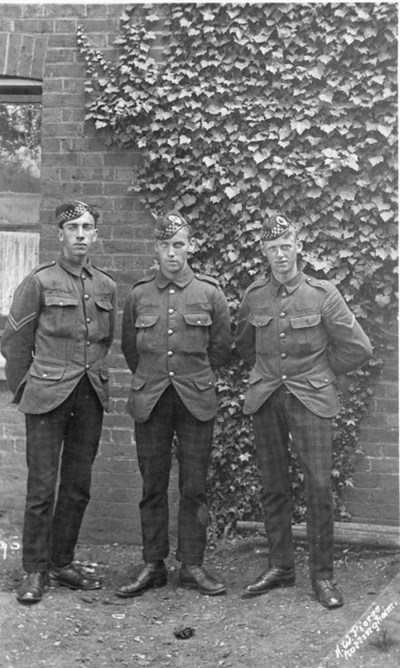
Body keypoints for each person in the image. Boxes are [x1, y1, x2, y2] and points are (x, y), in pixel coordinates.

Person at [236, 213, 373, 608]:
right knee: (273, 485)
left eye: (285, 246)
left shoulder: (321, 293)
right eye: (272, 249)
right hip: (265, 398)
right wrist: (268, 372)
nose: (280, 255)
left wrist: (320, 371)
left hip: (311, 399)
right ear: (264, 252)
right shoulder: (254, 296)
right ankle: (280, 566)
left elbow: (358, 347)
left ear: (298, 247)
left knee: (318, 487)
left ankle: (322, 576)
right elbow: (245, 345)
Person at [1, 200, 117, 604]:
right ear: (61, 234)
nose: (81, 234)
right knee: (41, 487)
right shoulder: (40, 282)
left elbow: (106, 339)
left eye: (87, 227)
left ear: (96, 235)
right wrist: (26, 388)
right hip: (47, 396)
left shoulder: (106, 286)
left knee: (77, 486)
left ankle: (61, 561)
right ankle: (34, 570)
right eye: (73, 228)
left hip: (90, 396)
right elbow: (15, 344)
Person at [117, 210, 231, 598]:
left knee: (194, 486)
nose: (171, 252)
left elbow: (220, 348)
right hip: (150, 400)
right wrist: (154, 375)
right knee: (152, 485)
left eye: (178, 244)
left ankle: (192, 565)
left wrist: (189, 375)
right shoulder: (138, 294)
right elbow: (130, 349)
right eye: (165, 245)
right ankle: (153, 564)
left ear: (190, 247)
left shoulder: (210, 293)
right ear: (156, 248)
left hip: (195, 399)